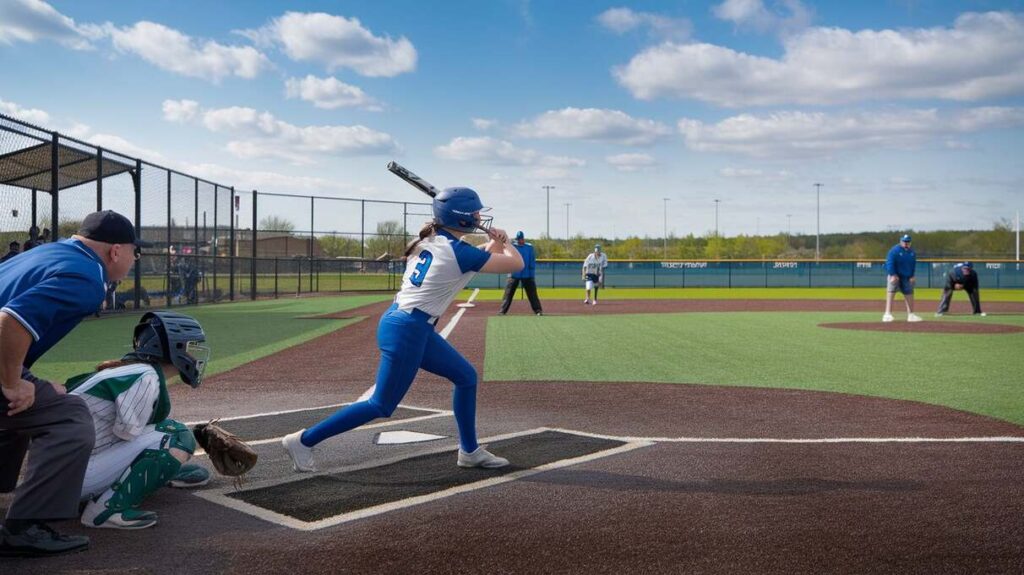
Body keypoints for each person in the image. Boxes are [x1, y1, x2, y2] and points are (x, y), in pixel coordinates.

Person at [281, 186, 524, 472]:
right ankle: (304, 440)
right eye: (474, 212)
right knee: (381, 405)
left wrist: (494, 243)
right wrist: (506, 241)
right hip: (408, 330)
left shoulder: (432, 241)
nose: (479, 216)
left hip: (408, 325)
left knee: (465, 376)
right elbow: (516, 263)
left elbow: (478, 256)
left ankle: (469, 451)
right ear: (460, 218)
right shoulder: (457, 251)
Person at [0, 209, 148, 557]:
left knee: (35, 400)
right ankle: (26, 528)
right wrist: (11, 382)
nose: (133, 258)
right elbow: (8, 321)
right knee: (70, 417)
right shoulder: (87, 277)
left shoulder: (45, 252)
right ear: (115, 251)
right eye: (133, 251)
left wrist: (25, 379)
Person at [68, 311, 211, 530]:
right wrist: (174, 453)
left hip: (62, 469)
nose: (195, 355)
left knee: (168, 431)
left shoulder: (135, 370)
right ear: (175, 348)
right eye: (191, 347)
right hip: (73, 477)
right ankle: (105, 510)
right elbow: (126, 436)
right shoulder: (146, 377)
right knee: (177, 437)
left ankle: (160, 472)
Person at [498, 231, 543, 316]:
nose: (520, 241)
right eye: (518, 239)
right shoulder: (513, 247)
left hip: (527, 274)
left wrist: (532, 275)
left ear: (523, 239)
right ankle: (502, 311)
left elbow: (532, 262)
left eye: (521, 239)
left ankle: (538, 310)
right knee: (508, 294)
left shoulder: (529, 248)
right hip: (514, 274)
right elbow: (506, 251)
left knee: (532, 294)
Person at [883, 234, 921, 323]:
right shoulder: (894, 251)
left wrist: (912, 275)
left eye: (908, 241)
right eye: (904, 241)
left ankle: (911, 315)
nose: (906, 243)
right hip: (895, 276)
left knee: (909, 294)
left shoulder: (912, 252)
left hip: (906, 276)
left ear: (910, 242)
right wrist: (892, 274)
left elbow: (913, 265)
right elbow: (889, 263)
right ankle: (887, 314)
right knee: (891, 292)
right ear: (900, 241)